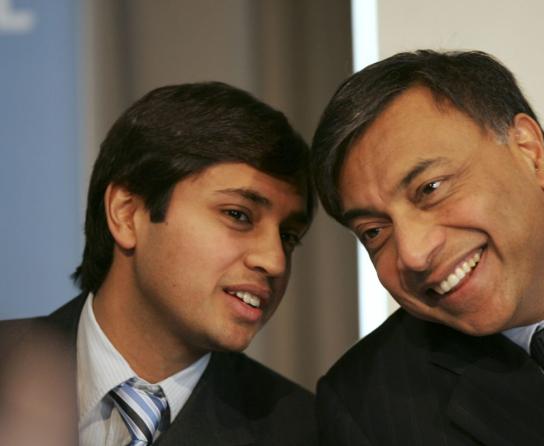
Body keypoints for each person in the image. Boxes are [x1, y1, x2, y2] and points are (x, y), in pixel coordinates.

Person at [311, 50, 544, 445]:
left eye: (430, 189)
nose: (413, 253)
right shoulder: (371, 407)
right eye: (375, 232)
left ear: (529, 152)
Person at [0, 82, 317, 445]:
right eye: (238, 215)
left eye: (289, 236)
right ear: (127, 214)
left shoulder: (304, 431)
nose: (274, 260)